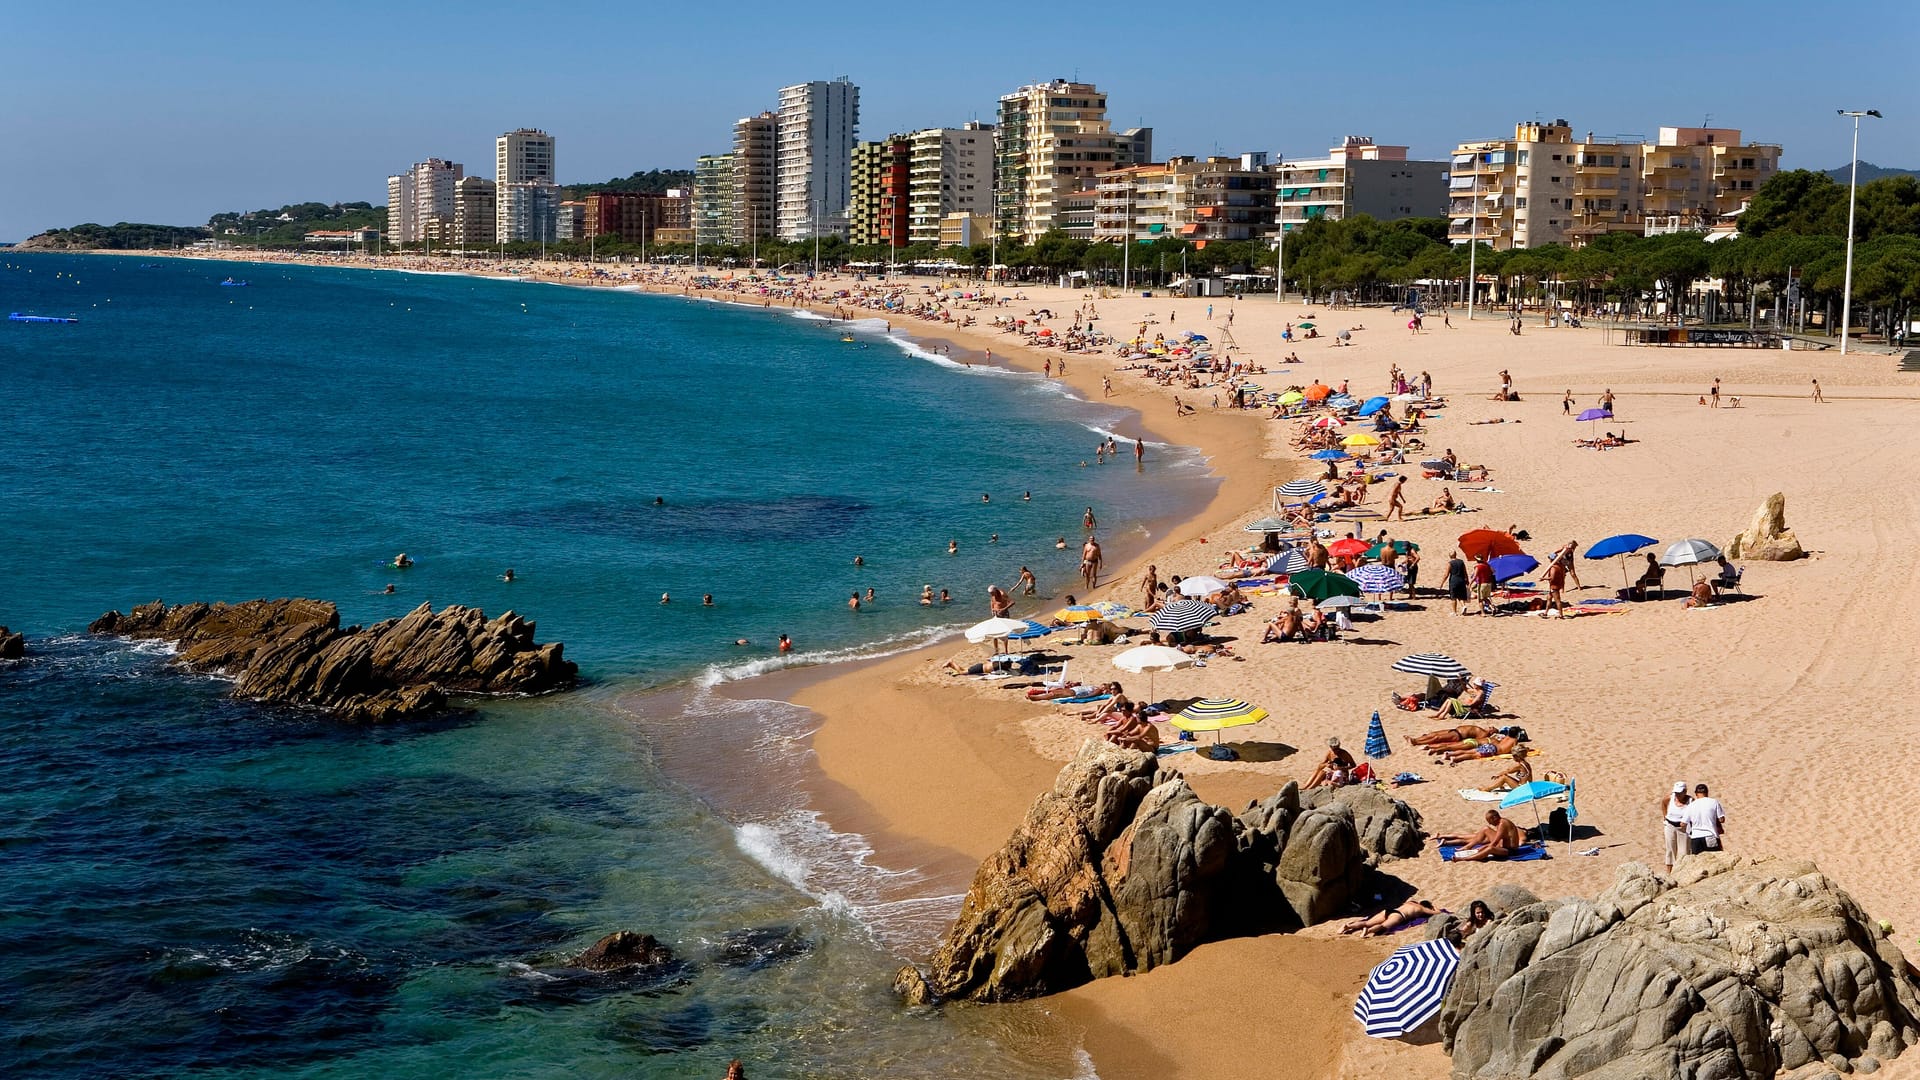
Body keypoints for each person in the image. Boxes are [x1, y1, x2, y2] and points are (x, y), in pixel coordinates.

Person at [1444, 810, 1525, 862]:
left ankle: (1464, 858)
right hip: (1503, 845)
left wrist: (1485, 847)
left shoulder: (1502, 824)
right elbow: (1499, 840)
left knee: (1490, 848)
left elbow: (1495, 841)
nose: (1490, 823)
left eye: (1490, 821)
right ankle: (1468, 846)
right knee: (1485, 829)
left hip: (1510, 851)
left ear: (1494, 817)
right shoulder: (1500, 822)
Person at [1341, 899, 1441, 937]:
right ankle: (1368, 931)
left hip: (1388, 911)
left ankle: (1348, 926)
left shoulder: (1411, 902)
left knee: (1367, 922)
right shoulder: (1421, 908)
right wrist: (1433, 907)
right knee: (1383, 926)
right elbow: (1438, 913)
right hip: (1398, 916)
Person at [1683, 783, 1725, 855]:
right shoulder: (1714, 802)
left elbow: (1683, 823)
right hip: (1710, 835)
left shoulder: (1691, 805)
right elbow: (1721, 819)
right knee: (1715, 860)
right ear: (1707, 793)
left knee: (1697, 862)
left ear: (1696, 794)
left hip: (1695, 838)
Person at [1660, 782, 1692, 874]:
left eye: (1680, 793)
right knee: (1670, 850)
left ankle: (1683, 872)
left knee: (1684, 851)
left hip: (1684, 829)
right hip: (1670, 826)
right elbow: (1663, 804)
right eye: (1676, 793)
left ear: (1685, 791)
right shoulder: (1669, 798)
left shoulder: (1690, 801)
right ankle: (1669, 872)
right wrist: (1665, 817)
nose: (1677, 795)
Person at [1445, 550, 1469, 616]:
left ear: (1450, 556)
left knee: (1453, 597)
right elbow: (1465, 572)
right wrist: (1467, 580)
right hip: (1461, 580)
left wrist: (1442, 582)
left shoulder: (1450, 563)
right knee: (1460, 595)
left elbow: (1446, 574)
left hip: (1454, 580)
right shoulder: (1461, 562)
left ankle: (1454, 612)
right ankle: (1463, 606)